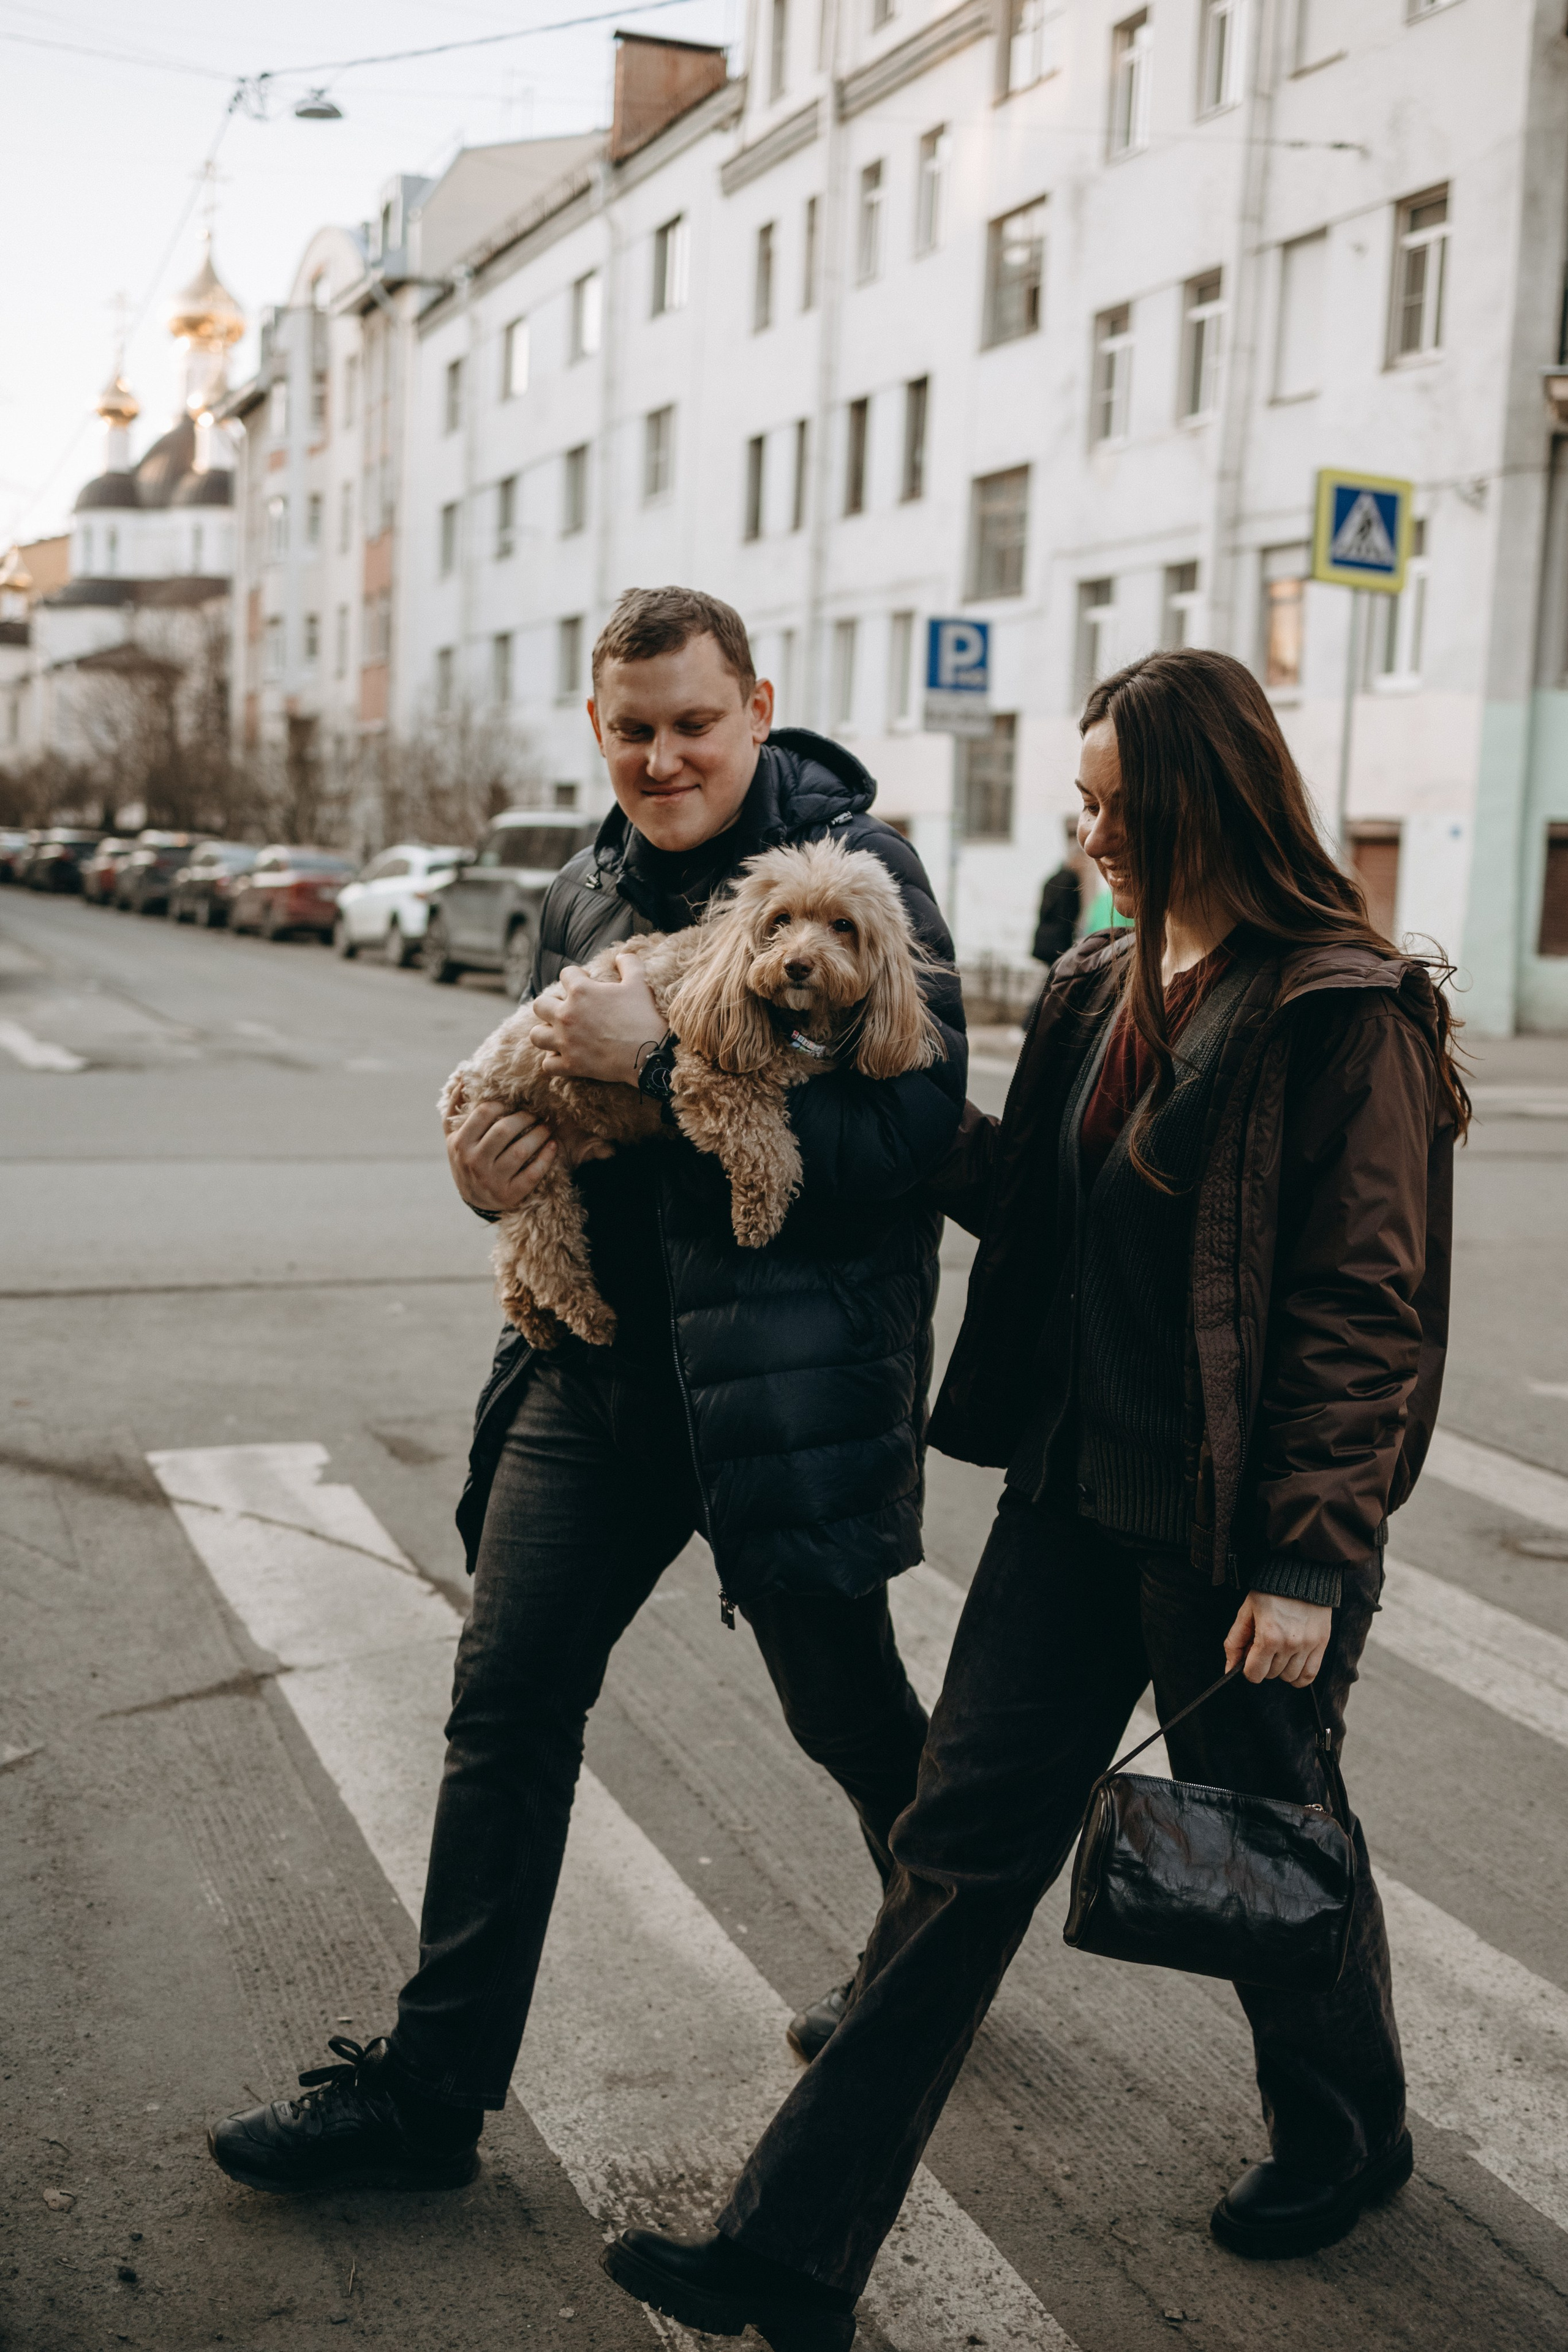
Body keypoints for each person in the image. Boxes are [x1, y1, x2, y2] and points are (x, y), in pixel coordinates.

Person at [603, 646, 1467, 2346]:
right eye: (1083, 807)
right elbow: (1024, 1195)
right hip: (1072, 1503)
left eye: (1121, 809)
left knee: (1272, 1851)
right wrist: (848, 1064)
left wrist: (1309, 1554)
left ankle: (1346, 2133)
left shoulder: (1339, 1010)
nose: (1093, 837)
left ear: (1213, 800)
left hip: (1239, 1531)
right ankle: (789, 2254)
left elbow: (1366, 1309)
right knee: (954, 1857)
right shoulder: (1097, 982)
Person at [206, 586, 966, 2193]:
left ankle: (940, 1958)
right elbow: (534, 1104)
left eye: (695, 722)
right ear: (599, 730)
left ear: (758, 706)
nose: (665, 755)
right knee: (507, 1706)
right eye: (633, 729)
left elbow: (910, 1150)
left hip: (781, 1390)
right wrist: (488, 1177)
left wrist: (650, 1065)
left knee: (848, 1716)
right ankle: (429, 2097)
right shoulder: (579, 892)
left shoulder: (863, 880)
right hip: (599, 1368)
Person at [1029, 818, 1084, 967]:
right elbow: (1072, 912)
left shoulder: (1053, 878)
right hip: (1059, 941)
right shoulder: (1071, 880)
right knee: (1056, 979)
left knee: (1050, 977)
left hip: (1044, 938)